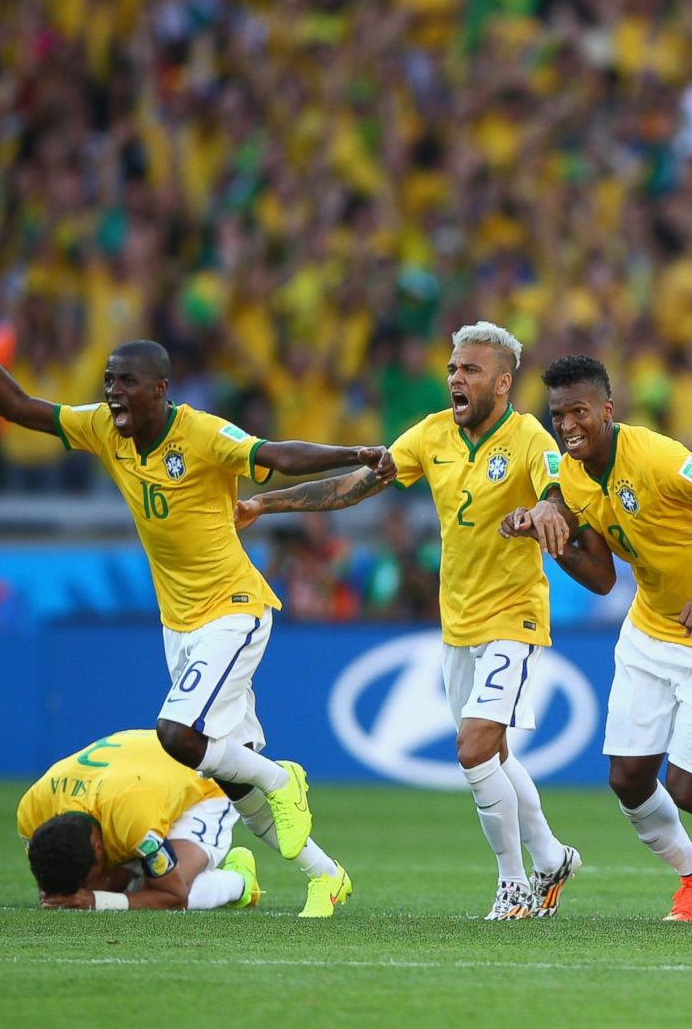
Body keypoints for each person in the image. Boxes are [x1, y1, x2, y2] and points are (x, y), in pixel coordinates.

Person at [0, 289, 383, 917]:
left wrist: (357, 452)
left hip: (234, 609)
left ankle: (285, 780)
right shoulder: (103, 429)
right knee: (231, 772)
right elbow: (16, 406)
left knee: (178, 735)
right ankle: (326, 875)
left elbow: (276, 456)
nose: (114, 391)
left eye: (127, 382)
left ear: (161, 389)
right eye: (109, 381)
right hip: (180, 625)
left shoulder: (200, 433)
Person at [236, 322, 581, 920]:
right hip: (459, 623)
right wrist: (266, 503)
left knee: (474, 751)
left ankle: (514, 885)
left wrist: (546, 511)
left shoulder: (529, 437)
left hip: (513, 617)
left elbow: (557, 490)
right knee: (493, 756)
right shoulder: (432, 434)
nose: (455, 377)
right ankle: (550, 857)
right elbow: (355, 485)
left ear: (502, 382)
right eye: (452, 367)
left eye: (470, 370)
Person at [502, 354, 692, 922]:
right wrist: (547, 538)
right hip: (649, 633)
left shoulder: (657, 457)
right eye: (558, 416)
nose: (568, 426)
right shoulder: (571, 476)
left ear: (607, 409)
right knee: (627, 779)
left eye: (579, 412)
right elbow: (601, 578)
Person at [17, 729, 260, 911]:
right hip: (143, 776)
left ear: (99, 848)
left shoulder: (136, 823)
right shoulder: (32, 812)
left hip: (203, 787)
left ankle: (241, 883)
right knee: (117, 886)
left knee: (170, 886)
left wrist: (94, 899)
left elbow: (174, 897)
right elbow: (54, 874)